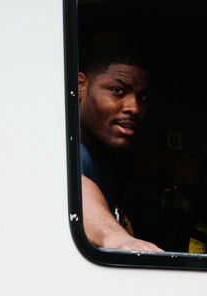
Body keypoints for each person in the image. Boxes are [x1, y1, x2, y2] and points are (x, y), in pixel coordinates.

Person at [78, 35, 163, 252]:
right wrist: (119, 240)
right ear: (80, 85)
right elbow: (73, 186)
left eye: (142, 97)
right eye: (118, 91)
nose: (134, 108)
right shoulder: (71, 153)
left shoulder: (109, 159)